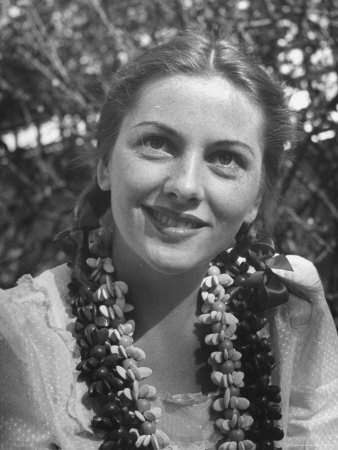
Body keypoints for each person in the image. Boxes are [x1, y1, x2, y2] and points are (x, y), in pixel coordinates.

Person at [0, 30, 337, 450]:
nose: (186, 185)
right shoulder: (21, 337)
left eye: (226, 158)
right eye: (157, 143)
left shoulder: (287, 309)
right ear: (105, 165)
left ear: (257, 198)